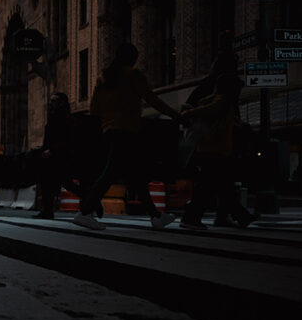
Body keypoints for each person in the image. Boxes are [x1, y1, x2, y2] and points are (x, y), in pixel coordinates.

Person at [73, 43, 182, 231]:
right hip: (127, 132)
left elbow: (94, 110)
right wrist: (177, 116)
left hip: (109, 131)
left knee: (136, 176)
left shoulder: (103, 79)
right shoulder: (133, 75)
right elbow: (152, 100)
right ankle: (84, 211)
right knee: (111, 173)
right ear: (132, 58)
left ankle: (156, 216)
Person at [180, 72, 256, 229]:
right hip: (216, 149)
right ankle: (190, 219)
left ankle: (241, 216)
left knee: (223, 187)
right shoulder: (223, 101)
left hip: (210, 148)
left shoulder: (212, 100)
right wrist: (188, 114)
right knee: (208, 187)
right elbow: (211, 111)